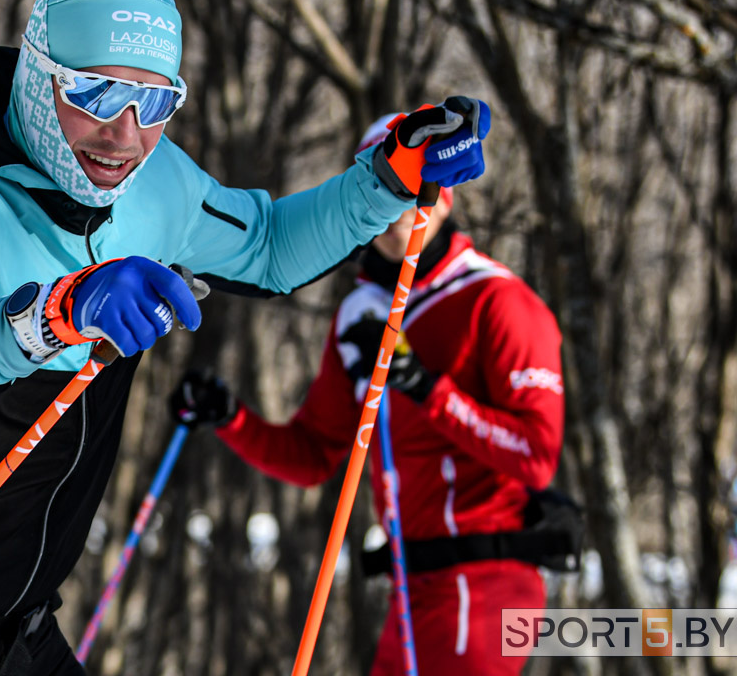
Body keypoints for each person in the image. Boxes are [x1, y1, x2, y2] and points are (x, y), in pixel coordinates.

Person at [0, 0, 489, 676]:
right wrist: (51, 316)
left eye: (156, 103)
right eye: (97, 95)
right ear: (38, 74)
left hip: (17, 637)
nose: (126, 135)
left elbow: (268, 248)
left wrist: (386, 182)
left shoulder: (156, 187)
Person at [169, 114, 568, 676]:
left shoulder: (497, 301)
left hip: (484, 587)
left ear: (444, 201)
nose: (390, 215)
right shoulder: (365, 313)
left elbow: (536, 455)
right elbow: (313, 454)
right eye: (385, 192)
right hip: (411, 588)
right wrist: (231, 418)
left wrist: (424, 386)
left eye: (410, 195)